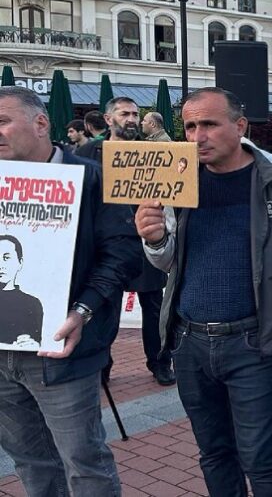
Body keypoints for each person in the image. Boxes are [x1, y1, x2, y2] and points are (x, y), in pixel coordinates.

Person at [135, 87, 272, 496]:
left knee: (262, 457)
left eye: (208, 124)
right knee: (214, 453)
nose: (197, 136)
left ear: (240, 126)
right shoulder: (178, 179)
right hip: (189, 341)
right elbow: (170, 261)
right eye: (189, 126)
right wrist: (154, 240)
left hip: (253, 341)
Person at [0, 85, 141, 496]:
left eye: (2, 121)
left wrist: (83, 311)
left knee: (84, 462)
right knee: (30, 461)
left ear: (41, 123)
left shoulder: (92, 178)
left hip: (65, 353)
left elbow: (123, 255)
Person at [77, 97, 175, 385]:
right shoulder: (87, 152)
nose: (132, 119)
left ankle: (159, 362)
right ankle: (102, 366)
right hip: (103, 247)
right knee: (103, 306)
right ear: (109, 119)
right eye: (124, 114)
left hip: (144, 241)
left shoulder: (150, 152)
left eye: (135, 114)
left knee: (153, 308)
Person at [0, 235, 43, 347]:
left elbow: (38, 342)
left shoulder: (32, 303)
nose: (0, 265)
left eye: (6, 258)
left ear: (20, 263)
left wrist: (33, 345)